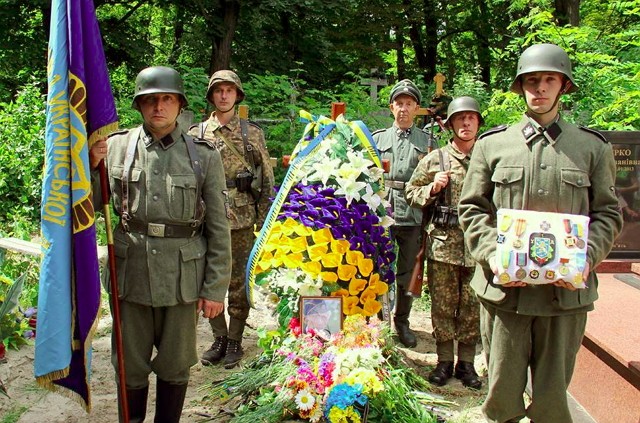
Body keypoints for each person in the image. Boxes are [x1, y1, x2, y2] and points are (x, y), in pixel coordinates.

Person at [458, 43, 623, 422]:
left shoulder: (591, 148)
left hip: (563, 299)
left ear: (564, 85)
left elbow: (608, 213)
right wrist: (494, 255)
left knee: (552, 403)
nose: (540, 88)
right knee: (501, 399)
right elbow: (473, 208)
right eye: (532, 80)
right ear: (521, 86)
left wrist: (585, 258)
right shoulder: (493, 145)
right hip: (505, 295)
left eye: (550, 79)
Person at [89, 66, 232, 423]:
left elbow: (218, 228)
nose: (158, 107)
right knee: (129, 365)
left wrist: (215, 289)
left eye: (167, 99)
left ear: (180, 104)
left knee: (175, 365)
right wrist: (91, 166)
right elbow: (90, 206)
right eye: (150, 100)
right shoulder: (116, 148)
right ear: (139, 105)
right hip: (131, 276)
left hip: (182, 279)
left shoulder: (203, 155)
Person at [188, 70, 275, 369]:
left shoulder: (251, 133)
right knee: (208, 279)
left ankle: (235, 338)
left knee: (238, 281)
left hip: (241, 217)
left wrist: (263, 220)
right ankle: (219, 338)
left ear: (237, 95)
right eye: (218, 90)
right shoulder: (197, 134)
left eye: (229, 90)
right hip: (205, 218)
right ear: (211, 95)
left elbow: (266, 180)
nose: (224, 95)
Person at [405, 96, 483, 389]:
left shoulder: (487, 158)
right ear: (450, 124)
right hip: (443, 245)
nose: (466, 123)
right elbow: (411, 193)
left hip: (477, 245)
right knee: (442, 306)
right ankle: (444, 360)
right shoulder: (435, 159)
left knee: (472, 307)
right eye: (460, 119)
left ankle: (467, 363)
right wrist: (432, 187)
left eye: (471, 118)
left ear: (478, 123)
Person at [372, 79, 430, 348]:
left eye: (409, 104)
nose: (404, 109)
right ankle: (379, 320)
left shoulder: (427, 141)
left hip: (413, 213)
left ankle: (402, 321)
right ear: (391, 107)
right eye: (399, 103)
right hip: (383, 210)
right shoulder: (377, 139)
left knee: (408, 271)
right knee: (378, 267)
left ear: (416, 108)